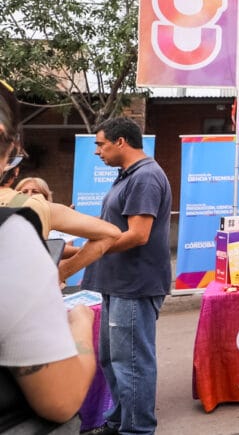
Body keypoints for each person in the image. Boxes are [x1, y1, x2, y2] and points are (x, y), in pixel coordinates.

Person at [0, 80, 97, 431]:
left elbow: (116, 234)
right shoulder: (11, 236)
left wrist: (66, 265)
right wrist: (82, 324)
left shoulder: (32, 217)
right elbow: (61, 399)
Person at [81, 117, 173, 435]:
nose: (96, 151)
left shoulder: (145, 177)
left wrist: (84, 256)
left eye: (100, 144)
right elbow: (109, 229)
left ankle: (137, 429)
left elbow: (137, 235)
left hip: (134, 286)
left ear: (121, 142)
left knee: (131, 363)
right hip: (118, 284)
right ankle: (120, 420)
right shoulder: (127, 175)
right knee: (111, 359)